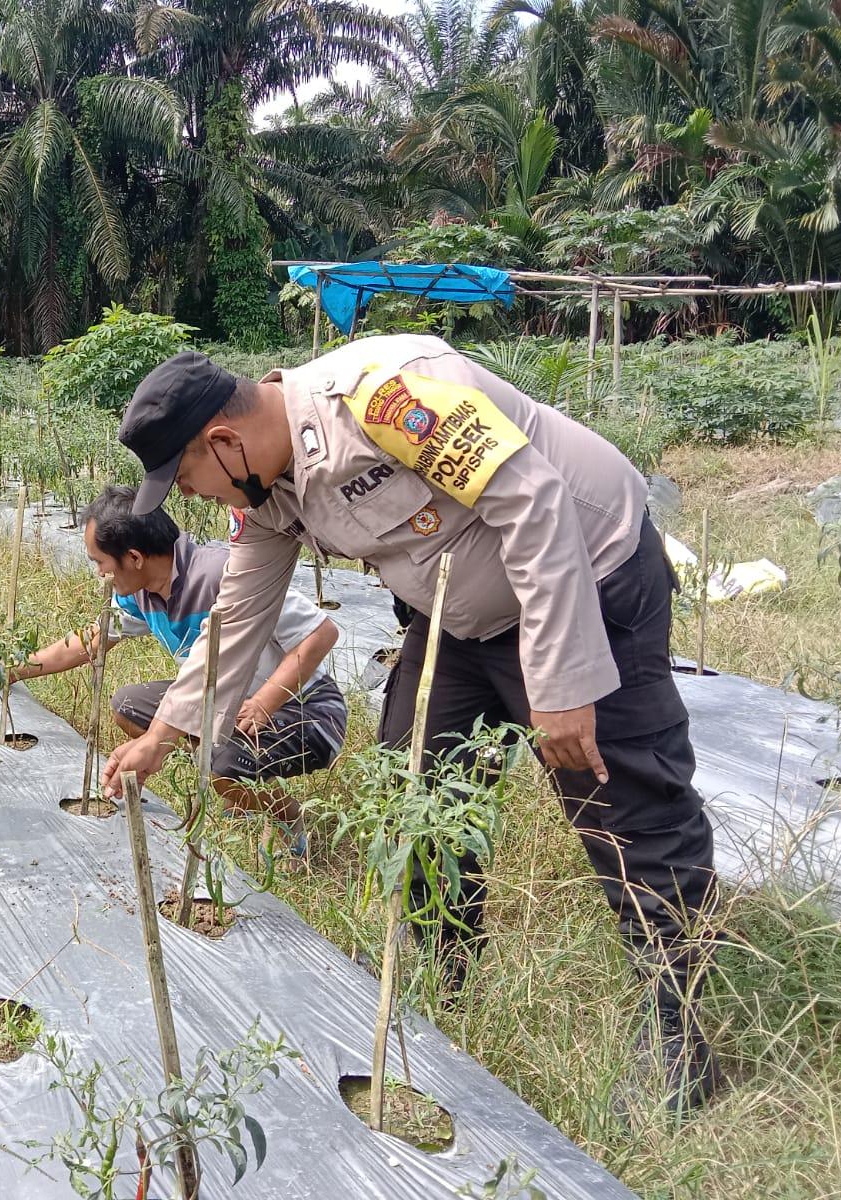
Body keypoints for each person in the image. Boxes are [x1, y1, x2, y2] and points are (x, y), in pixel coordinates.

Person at [101, 339, 722, 1114]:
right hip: (460, 615)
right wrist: (165, 733)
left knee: (623, 804)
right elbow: (239, 612)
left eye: (185, 477)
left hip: (586, 578)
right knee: (413, 787)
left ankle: (680, 1029)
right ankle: (443, 974)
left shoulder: (386, 398)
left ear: (223, 442)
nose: (188, 497)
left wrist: (561, 680)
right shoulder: (265, 491)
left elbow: (533, 499)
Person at [11, 485, 346, 849]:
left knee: (221, 766)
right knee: (128, 706)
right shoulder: (141, 594)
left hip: (306, 710)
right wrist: (12, 671)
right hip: (227, 702)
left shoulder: (228, 576)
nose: (98, 573)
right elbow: (89, 642)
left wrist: (265, 701)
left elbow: (321, 633)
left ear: (134, 557)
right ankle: (237, 785)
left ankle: (285, 814)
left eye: (99, 562)